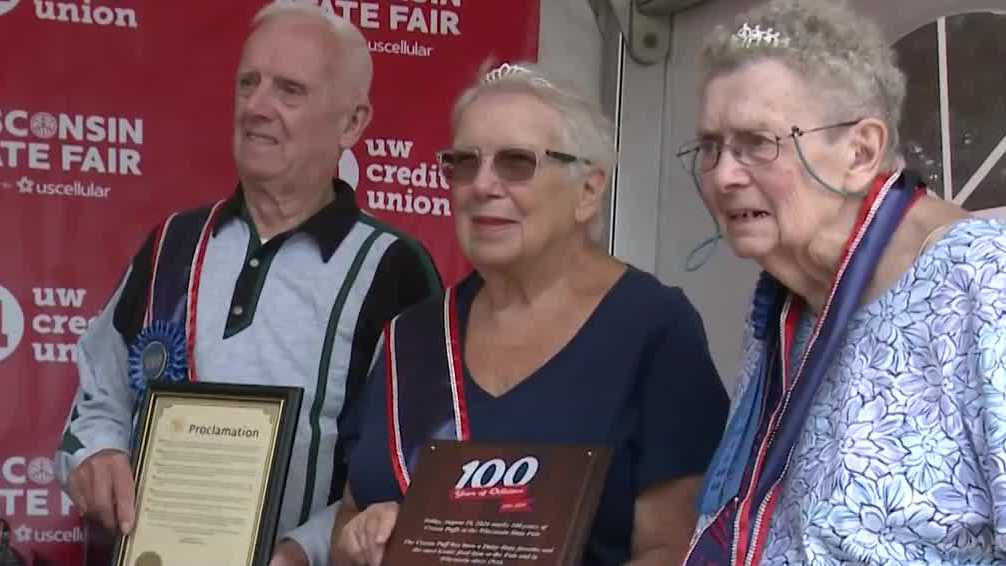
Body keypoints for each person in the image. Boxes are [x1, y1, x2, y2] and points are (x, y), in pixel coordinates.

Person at [54, 4, 442, 566]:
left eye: (289, 90)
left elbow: (412, 462)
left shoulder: (394, 269)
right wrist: (97, 453)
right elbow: (99, 394)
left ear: (352, 123)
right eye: (248, 83)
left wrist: (303, 550)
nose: (257, 107)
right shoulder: (171, 244)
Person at [329, 62, 730, 566]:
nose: (482, 185)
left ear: (588, 190)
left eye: (516, 162)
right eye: (464, 163)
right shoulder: (410, 338)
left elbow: (673, 550)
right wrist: (358, 539)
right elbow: (349, 519)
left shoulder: (654, 329)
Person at [680, 0, 1006, 564]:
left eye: (758, 142)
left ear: (860, 153)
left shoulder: (982, 279)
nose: (725, 175)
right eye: (710, 147)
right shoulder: (787, 306)